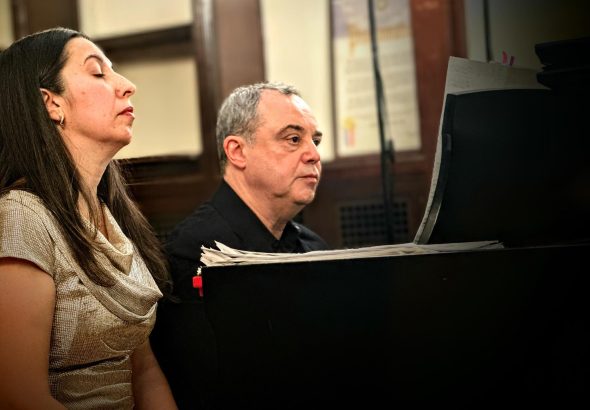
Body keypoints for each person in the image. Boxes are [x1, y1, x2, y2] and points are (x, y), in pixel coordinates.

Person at [0, 27, 177, 409]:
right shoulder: (20, 217)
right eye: (98, 72)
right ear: (51, 103)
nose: (127, 86)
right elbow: (18, 395)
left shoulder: (108, 215)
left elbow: (143, 371)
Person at [151, 82, 329, 408]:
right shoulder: (194, 253)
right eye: (293, 139)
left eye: (315, 141)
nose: (314, 155)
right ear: (237, 151)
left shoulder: (314, 247)